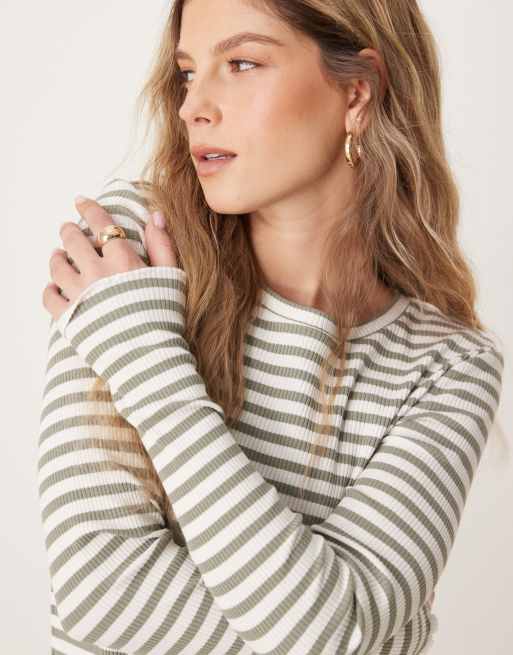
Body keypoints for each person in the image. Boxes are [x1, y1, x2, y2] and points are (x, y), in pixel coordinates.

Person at [38, 1, 504, 653]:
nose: (192, 106)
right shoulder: (132, 244)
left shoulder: (449, 363)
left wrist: (144, 354)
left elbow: (329, 636)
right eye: (188, 72)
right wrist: (351, 628)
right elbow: (101, 596)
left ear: (357, 92)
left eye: (241, 63)